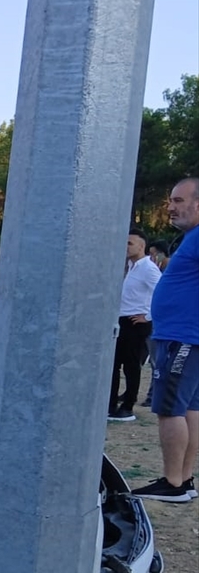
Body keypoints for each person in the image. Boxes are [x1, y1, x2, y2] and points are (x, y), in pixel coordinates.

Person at [131, 178, 199, 503]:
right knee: (189, 409)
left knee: (170, 409)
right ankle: (184, 480)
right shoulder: (191, 238)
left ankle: (172, 483)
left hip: (182, 337)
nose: (170, 207)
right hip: (184, 336)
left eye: (178, 200)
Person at [108, 227, 161, 422]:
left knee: (131, 366)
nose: (126, 247)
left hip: (135, 323)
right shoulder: (130, 267)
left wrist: (148, 316)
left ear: (142, 246)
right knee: (113, 365)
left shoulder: (148, 268)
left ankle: (127, 406)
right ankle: (111, 403)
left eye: (130, 243)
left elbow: (162, 291)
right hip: (122, 320)